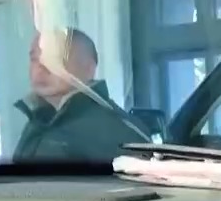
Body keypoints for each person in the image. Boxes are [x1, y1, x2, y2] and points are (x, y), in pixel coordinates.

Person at [12, 27, 145, 162]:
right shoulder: (39, 120)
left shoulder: (120, 132)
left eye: (55, 59)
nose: (41, 68)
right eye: (35, 59)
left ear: (88, 68)